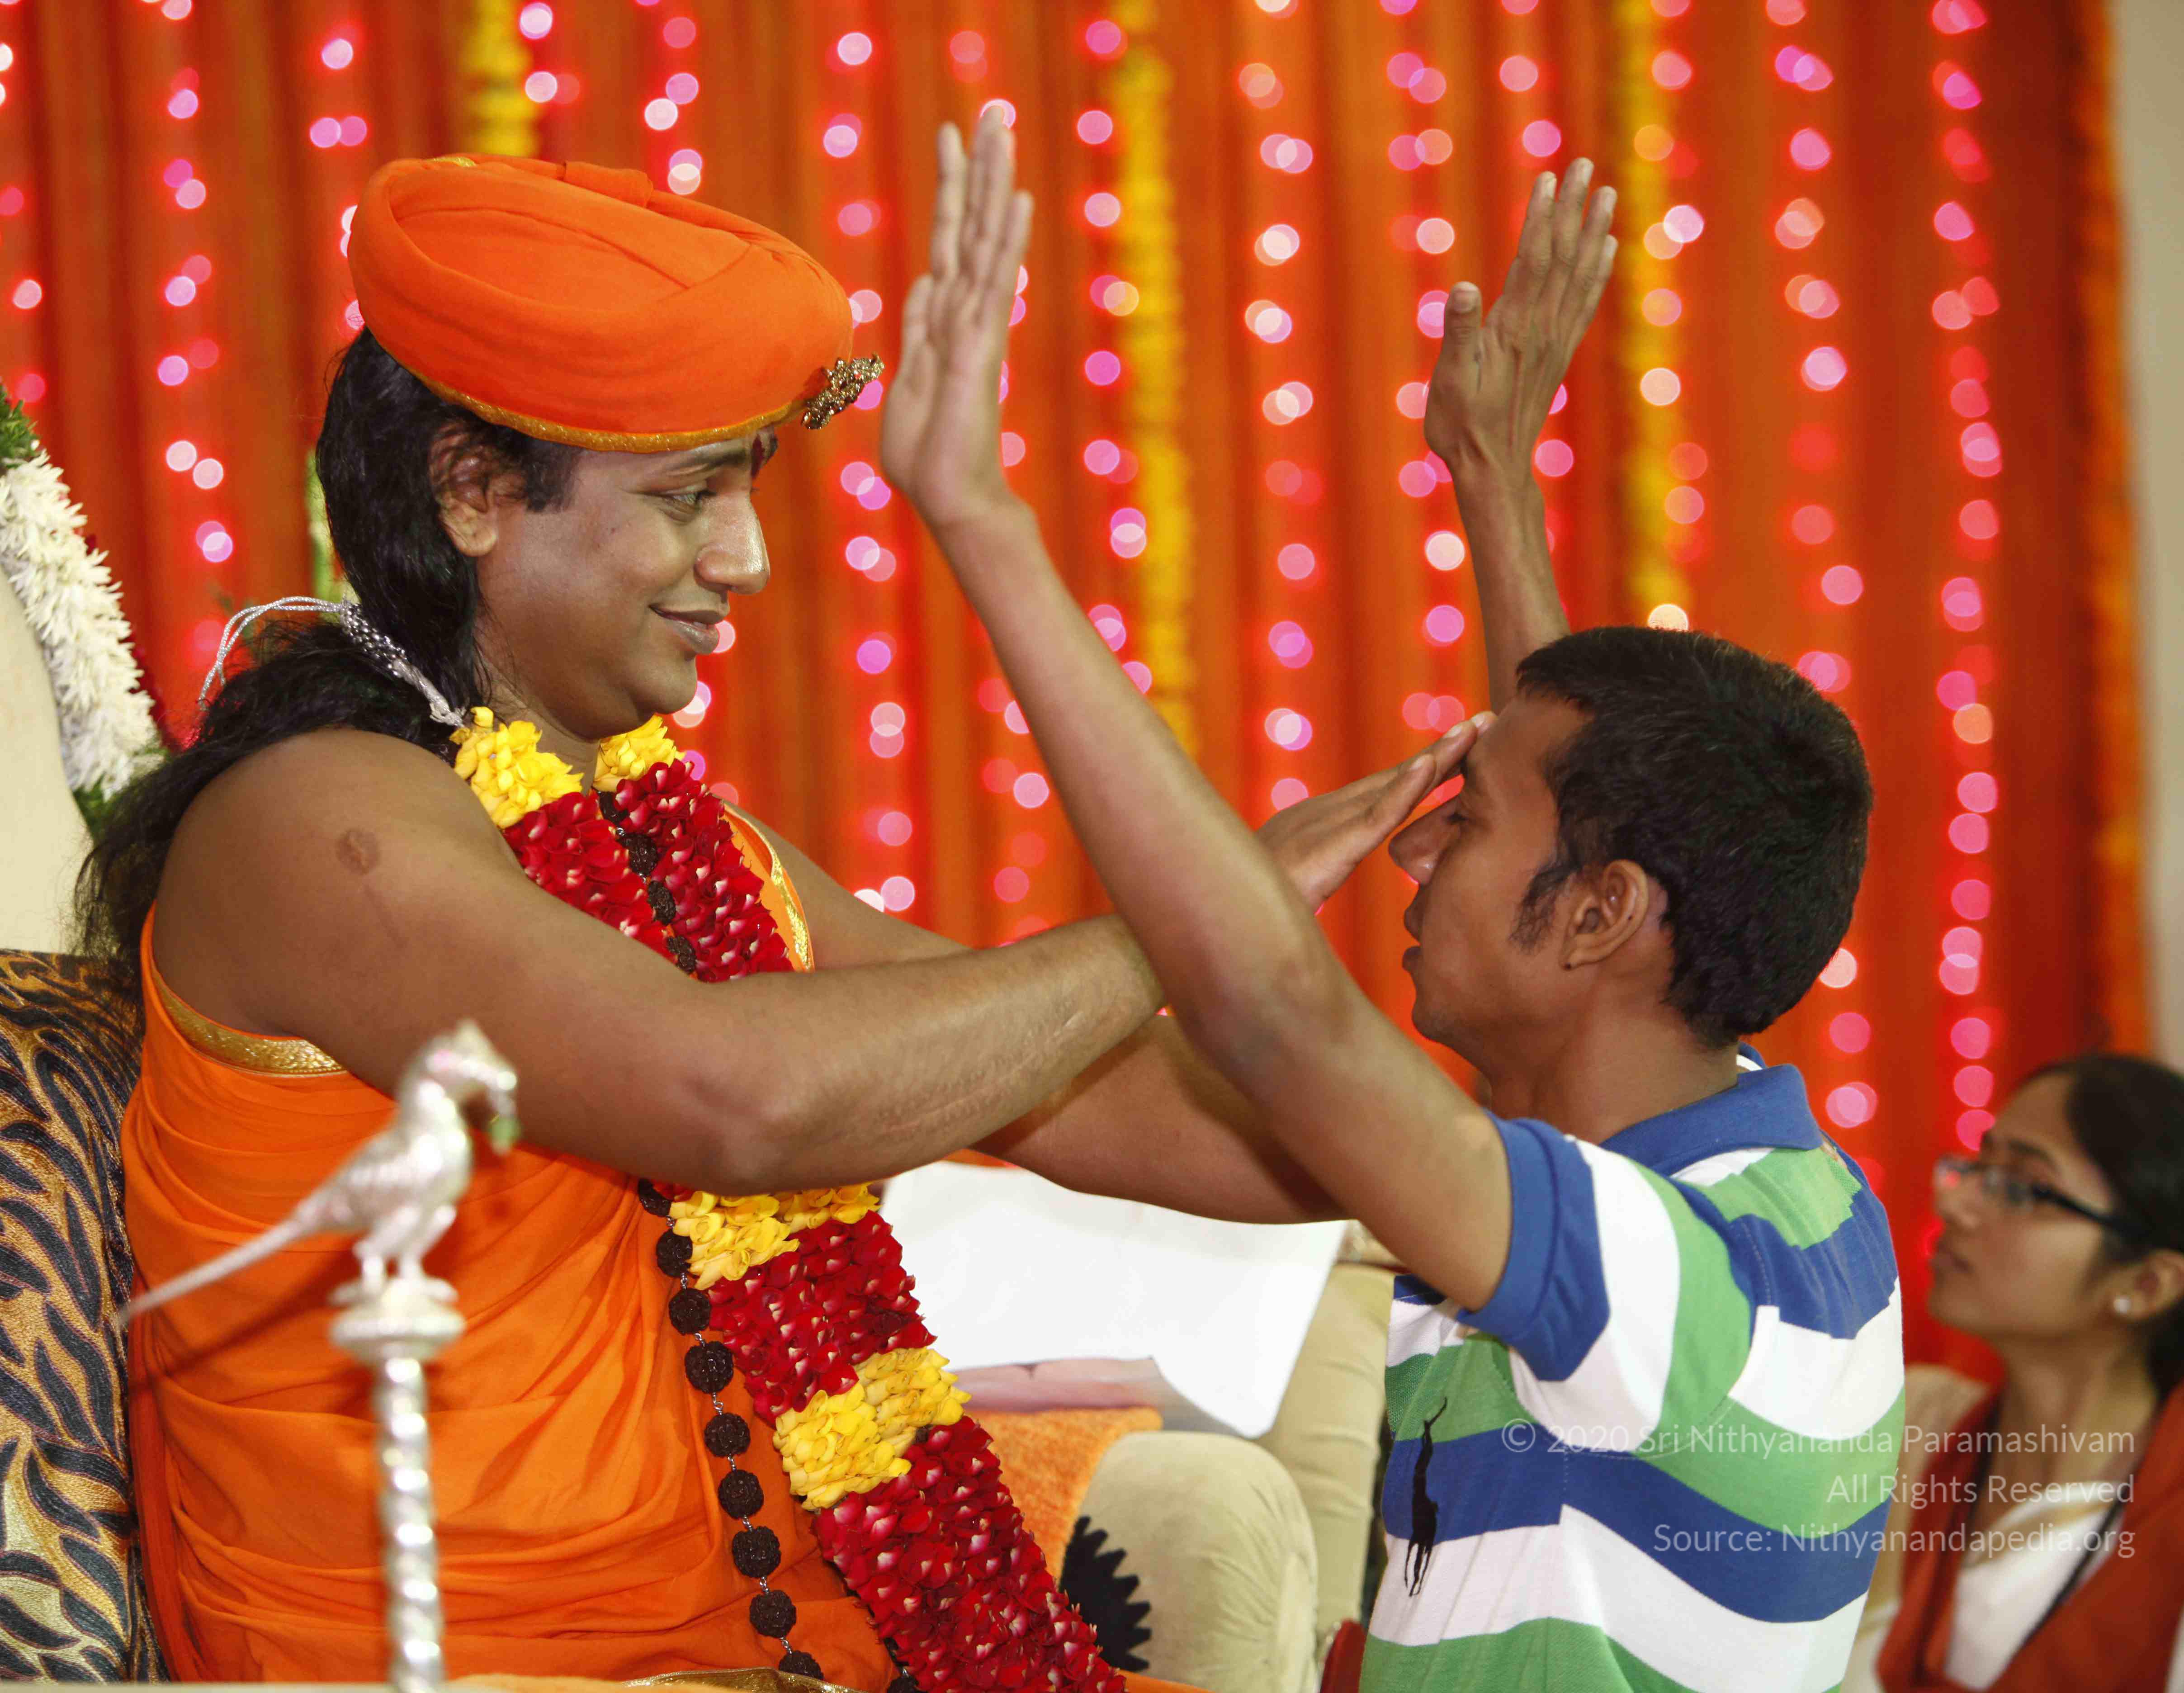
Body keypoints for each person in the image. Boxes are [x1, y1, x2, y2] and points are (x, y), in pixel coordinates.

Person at [84, 123, 1389, 1690]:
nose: (748, 558)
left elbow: (1113, 1100)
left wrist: (1512, 1160)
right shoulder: (311, 825)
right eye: (690, 495)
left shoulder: (679, 843)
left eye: (745, 489)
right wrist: (1206, 919)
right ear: (473, 491)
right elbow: (736, 1096)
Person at [916, 151, 1904, 1693]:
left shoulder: (1681, 1276)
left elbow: (1272, 1010)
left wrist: (983, 520)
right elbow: (1596, 819)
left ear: (1600, 917)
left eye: (1463, 820)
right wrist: (1491, 470)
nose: (1409, 850)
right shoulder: (1757, 1193)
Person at [1844, 1055, 2184, 1692]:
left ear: (2148, 1284)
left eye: (2024, 1188)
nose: (1954, 1200)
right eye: (1979, 1166)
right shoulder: (1913, 1423)